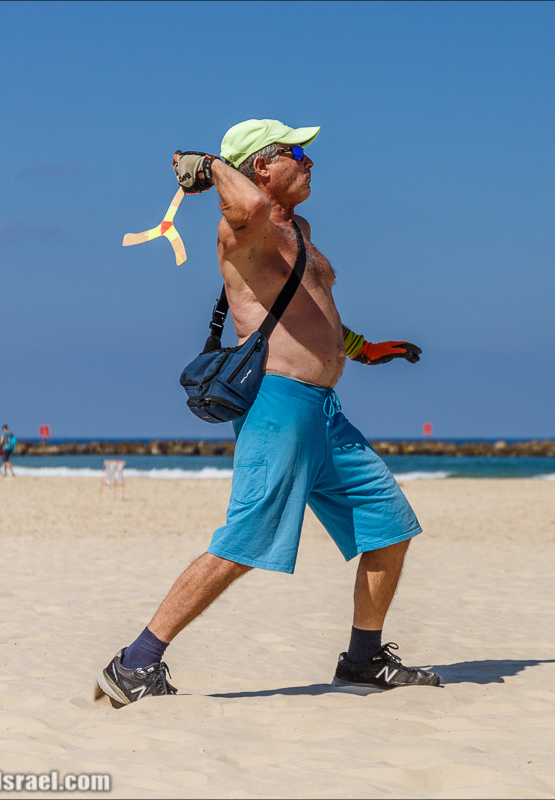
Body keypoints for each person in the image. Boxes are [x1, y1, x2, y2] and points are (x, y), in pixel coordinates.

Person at [96, 119, 438, 707]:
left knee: (389, 526)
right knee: (247, 538)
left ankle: (362, 659)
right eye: (295, 153)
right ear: (260, 166)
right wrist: (209, 165)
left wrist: (358, 347)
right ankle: (135, 662)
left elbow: (308, 313)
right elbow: (246, 202)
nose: (310, 162)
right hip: (280, 404)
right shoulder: (243, 228)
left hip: (325, 411)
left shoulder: (296, 229)